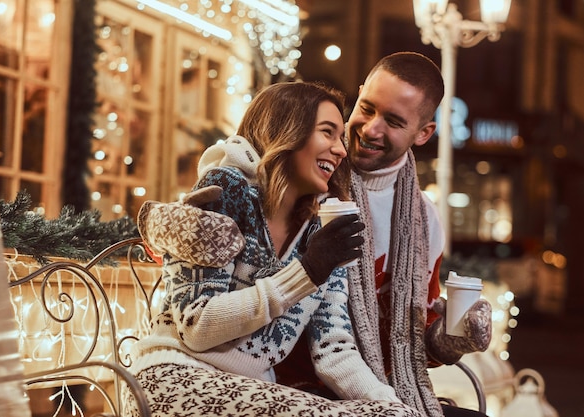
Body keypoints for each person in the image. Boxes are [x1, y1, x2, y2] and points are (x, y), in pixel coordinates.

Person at [125, 81, 421, 417]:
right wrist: (307, 272)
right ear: (288, 131)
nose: (341, 149)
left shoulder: (319, 229)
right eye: (328, 132)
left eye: (341, 137)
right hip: (175, 379)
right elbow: (197, 327)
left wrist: (396, 406)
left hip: (253, 393)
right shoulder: (225, 191)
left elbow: (334, 351)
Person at [274, 52, 492, 417]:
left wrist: (451, 341)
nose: (372, 128)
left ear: (424, 133)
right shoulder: (308, 181)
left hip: (385, 395)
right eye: (367, 108)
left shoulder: (425, 218)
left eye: (393, 121)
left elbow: (414, 346)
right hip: (295, 389)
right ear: (357, 96)